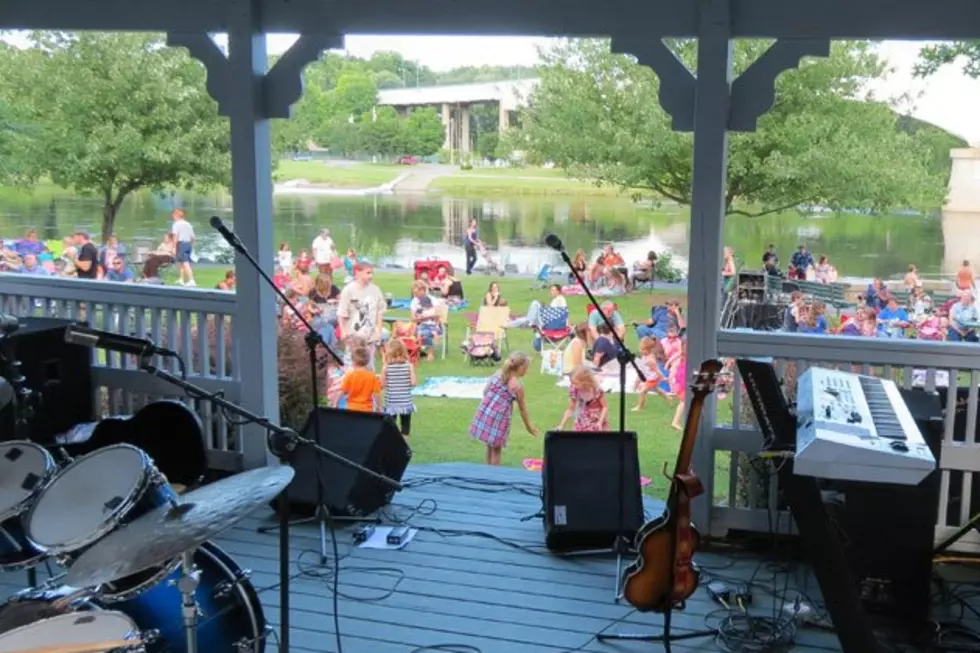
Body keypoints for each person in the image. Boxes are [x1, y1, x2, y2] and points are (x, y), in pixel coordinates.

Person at [469, 352, 538, 466]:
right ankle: (494, 478)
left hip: (486, 414)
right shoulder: (517, 387)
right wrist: (528, 427)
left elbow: (485, 391)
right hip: (499, 419)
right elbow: (522, 410)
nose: (527, 371)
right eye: (526, 368)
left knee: (490, 446)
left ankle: (487, 472)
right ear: (520, 368)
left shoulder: (497, 374)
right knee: (497, 450)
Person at [337, 262, 387, 368]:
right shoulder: (349, 290)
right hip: (353, 336)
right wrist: (343, 331)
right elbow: (342, 313)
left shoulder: (375, 290)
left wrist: (378, 330)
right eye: (368, 273)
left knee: (369, 365)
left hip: (370, 335)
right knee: (352, 366)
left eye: (372, 273)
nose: (371, 276)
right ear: (358, 273)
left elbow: (379, 312)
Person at [557, 366, 609, 432]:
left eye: (576, 383)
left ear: (584, 381)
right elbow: (570, 409)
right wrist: (561, 425)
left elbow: (604, 407)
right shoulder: (574, 390)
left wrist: (600, 422)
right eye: (572, 383)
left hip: (596, 422)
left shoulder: (596, 390)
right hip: (581, 422)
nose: (573, 385)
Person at [381, 340, 416, 438]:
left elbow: (382, 385)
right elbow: (413, 383)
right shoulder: (409, 366)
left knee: (391, 424)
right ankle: (405, 443)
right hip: (405, 402)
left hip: (392, 402)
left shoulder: (386, 367)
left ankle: (393, 442)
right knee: (405, 424)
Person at [633, 337, 670, 411]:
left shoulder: (650, 360)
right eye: (640, 348)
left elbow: (657, 370)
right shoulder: (644, 356)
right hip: (649, 377)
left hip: (653, 378)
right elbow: (642, 370)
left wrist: (663, 378)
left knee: (642, 391)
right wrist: (637, 381)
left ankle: (640, 407)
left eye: (643, 349)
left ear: (649, 350)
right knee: (656, 389)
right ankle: (668, 398)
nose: (641, 351)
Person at [171, 208, 196, 287]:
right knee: (182, 262)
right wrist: (191, 246)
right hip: (188, 244)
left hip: (181, 244)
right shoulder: (188, 224)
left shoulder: (176, 224)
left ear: (176, 215)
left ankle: (191, 280)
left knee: (185, 262)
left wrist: (174, 247)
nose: (172, 217)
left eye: (173, 215)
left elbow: (175, 236)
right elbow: (193, 237)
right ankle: (181, 279)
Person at [668, 339, 688, 430]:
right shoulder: (685, 356)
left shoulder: (683, 356)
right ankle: (675, 422)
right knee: (683, 402)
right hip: (683, 382)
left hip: (682, 381)